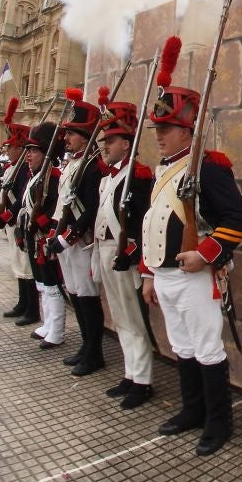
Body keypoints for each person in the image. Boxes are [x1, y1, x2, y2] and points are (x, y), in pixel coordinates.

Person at [139, 48, 242, 456]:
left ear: (187, 132)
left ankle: (219, 422)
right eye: (158, 128)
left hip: (195, 276)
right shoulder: (162, 171)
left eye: (166, 128)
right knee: (182, 347)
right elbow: (151, 224)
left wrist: (204, 254)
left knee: (206, 348)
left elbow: (239, 220)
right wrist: (149, 274)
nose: (158, 135)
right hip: (166, 277)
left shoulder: (208, 166)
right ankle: (193, 411)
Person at [94, 99, 155, 410]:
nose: (106, 145)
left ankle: (142, 380)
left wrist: (131, 253)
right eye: (105, 140)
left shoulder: (140, 175)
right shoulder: (108, 178)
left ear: (126, 143)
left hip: (124, 255)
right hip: (106, 250)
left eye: (111, 140)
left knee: (133, 318)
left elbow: (143, 221)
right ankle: (130, 373)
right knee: (119, 316)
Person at [46, 88, 107, 376]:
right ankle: (85, 345)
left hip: (79, 241)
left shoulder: (93, 166)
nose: (67, 138)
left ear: (85, 135)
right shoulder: (74, 163)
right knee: (75, 293)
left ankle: (94, 352)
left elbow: (92, 209)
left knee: (86, 295)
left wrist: (67, 237)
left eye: (72, 133)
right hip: (65, 238)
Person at [21, 122, 66, 350]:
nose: (28, 155)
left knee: (52, 283)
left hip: (44, 236)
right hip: (34, 236)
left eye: (34, 151)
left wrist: (38, 226)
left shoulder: (54, 176)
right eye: (28, 150)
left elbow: (54, 209)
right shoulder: (36, 176)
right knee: (41, 283)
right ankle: (48, 324)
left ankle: (57, 330)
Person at [0, 100, 38, 325]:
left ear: (19, 148)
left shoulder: (24, 171)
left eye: (10, 146)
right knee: (17, 264)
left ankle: (32, 309)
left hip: (20, 222)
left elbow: (22, 199)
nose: (7, 150)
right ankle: (22, 302)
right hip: (12, 224)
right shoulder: (13, 168)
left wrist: (7, 216)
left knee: (26, 265)